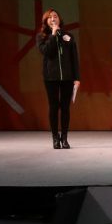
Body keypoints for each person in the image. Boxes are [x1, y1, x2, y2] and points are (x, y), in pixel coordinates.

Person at [36, 8, 80, 149]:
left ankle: (65, 138)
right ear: (46, 21)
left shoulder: (69, 36)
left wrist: (77, 78)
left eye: (55, 16)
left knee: (65, 107)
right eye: (49, 17)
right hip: (51, 77)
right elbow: (47, 52)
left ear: (59, 19)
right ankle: (55, 138)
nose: (53, 19)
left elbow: (74, 58)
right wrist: (53, 35)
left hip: (67, 77)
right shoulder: (42, 37)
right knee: (54, 107)